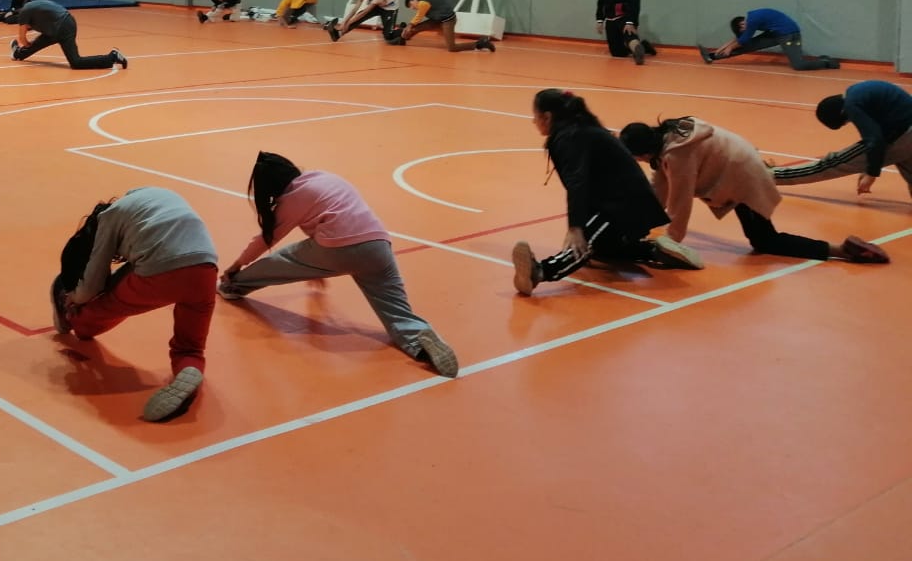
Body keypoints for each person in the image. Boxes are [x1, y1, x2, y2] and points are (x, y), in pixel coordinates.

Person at [218, 152, 458, 377]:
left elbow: (265, 240)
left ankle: (233, 286)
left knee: (283, 259)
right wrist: (314, 267)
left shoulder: (291, 198)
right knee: (395, 310)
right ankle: (419, 340)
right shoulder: (325, 177)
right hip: (378, 246)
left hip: (337, 250)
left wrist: (236, 265)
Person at [50, 187, 219, 422]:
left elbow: (93, 285)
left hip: (160, 270)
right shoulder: (156, 196)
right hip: (206, 269)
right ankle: (189, 369)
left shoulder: (108, 218)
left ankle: (72, 317)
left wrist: (75, 298)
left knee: (104, 307)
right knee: (190, 348)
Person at [511, 88, 701, 296]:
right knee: (602, 250)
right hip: (620, 202)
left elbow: (578, 182)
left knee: (585, 242)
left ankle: (538, 272)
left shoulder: (570, 136)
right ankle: (653, 250)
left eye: (535, 116)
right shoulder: (577, 129)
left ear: (547, 117)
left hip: (625, 205)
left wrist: (576, 227)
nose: (534, 121)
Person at [619, 116, 888, 264]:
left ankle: (842, 250)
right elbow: (659, 189)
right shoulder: (670, 137)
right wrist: (638, 225)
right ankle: (842, 249)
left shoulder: (677, 155)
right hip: (741, 167)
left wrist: (671, 242)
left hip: (743, 179)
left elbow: (680, 201)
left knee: (765, 241)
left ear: (644, 152)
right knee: (764, 238)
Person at [771, 81, 912, 197]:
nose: (849, 121)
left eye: (846, 121)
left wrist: (871, 173)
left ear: (842, 113)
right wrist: (870, 164)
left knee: (833, 163)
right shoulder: (855, 91)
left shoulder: (852, 105)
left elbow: (874, 140)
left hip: (902, 135)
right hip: (904, 131)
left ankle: (769, 176)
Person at [700, 9, 839, 70]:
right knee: (748, 45)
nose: (744, 28)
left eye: (742, 27)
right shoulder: (750, 19)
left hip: (790, 35)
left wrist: (730, 47)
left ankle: (826, 62)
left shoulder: (752, 20)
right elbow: (739, 39)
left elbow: (743, 40)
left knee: (799, 65)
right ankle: (712, 56)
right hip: (775, 34)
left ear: (742, 22)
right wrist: (718, 50)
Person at [11, 0, 127, 70]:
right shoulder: (33, 8)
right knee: (38, 42)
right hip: (65, 22)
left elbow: (22, 39)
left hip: (62, 28)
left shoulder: (24, 14)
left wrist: (27, 44)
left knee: (76, 62)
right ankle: (18, 53)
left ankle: (112, 57)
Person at [401, 0, 495, 52]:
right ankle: (401, 38)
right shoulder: (423, 0)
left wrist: (409, 25)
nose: (412, 8)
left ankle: (480, 44)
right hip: (437, 20)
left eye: (411, 5)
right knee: (415, 28)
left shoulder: (422, 3)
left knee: (452, 47)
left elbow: (418, 17)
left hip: (448, 21)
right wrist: (409, 27)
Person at [326, 0, 403, 43]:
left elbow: (364, 13)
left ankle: (404, 30)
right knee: (358, 16)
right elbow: (355, 9)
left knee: (388, 35)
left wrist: (348, 23)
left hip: (390, 9)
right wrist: (343, 23)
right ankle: (338, 34)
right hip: (379, 5)